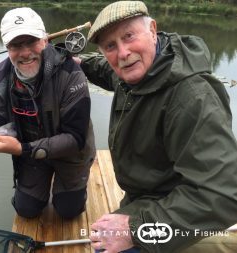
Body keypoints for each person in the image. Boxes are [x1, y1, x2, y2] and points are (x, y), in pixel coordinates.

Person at [75, 1, 237, 253]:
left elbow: (222, 197)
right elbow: (106, 69)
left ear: (152, 29)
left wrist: (136, 229)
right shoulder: (137, 68)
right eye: (110, 46)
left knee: (108, 248)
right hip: (147, 196)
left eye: (129, 36)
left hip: (177, 205)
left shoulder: (193, 97)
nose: (123, 53)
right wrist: (77, 62)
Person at [0, 7, 96, 219]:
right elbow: (0, 130)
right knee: (26, 209)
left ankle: (74, 186)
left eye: (31, 41)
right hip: (32, 157)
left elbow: (75, 138)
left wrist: (23, 148)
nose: (25, 52)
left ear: (45, 40)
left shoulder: (70, 74)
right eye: (16, 45)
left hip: (71, 155)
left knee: (68, 211)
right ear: (7, 48)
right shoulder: (1, 84)